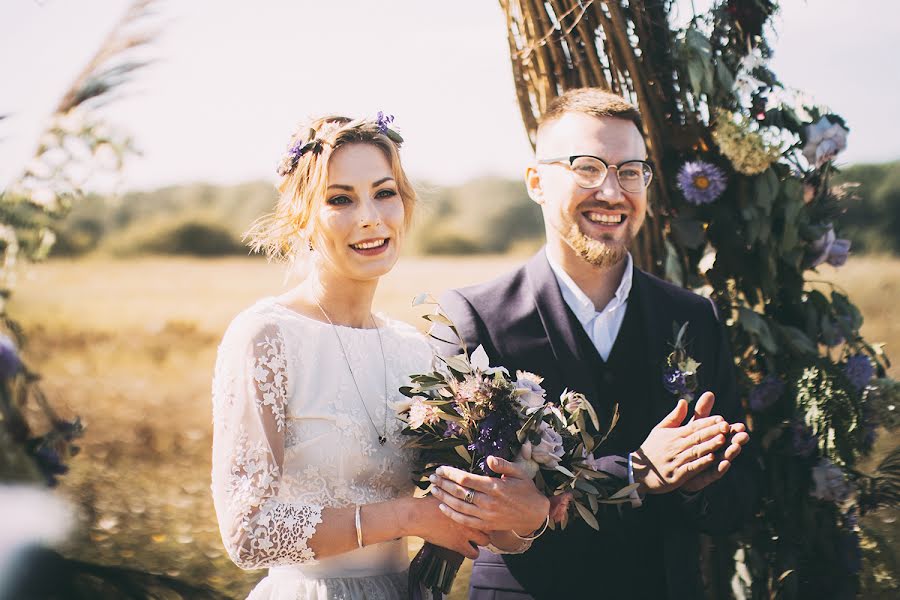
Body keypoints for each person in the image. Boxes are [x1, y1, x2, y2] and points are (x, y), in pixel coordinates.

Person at [430, 89, 759, 599]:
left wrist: (700, 484)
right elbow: (469, 501)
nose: (612, 191)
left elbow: (737, 500)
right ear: (537, 182)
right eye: (587, 167)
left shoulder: (694, 316)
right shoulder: (474, 319)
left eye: (630, 171)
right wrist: (637, 472)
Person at [210, 114, 549, 600]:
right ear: (302, 216)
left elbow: (467, 519)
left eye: (384, 192)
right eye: (340, 199)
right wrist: (409, 517)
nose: (370, 216)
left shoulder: (412, 350)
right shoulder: (266, 338)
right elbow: (247, 533)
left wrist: (525, 510)